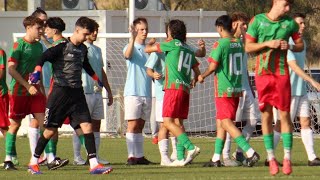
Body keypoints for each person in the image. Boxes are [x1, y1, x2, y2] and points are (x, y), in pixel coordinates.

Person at [27, 16, 112, 175]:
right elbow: (43, 58)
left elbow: (85, 65)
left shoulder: (83, 49)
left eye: (89, 35)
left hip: (77, 93)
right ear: (77, 30)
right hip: (60, 93)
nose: (87, 38)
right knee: (50, 130)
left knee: (87, 126)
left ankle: (94, 164)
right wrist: (37, 72)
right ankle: (33, 162)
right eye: (85, 34)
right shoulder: (61, 46)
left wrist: (97, 80)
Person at [245, 0, 304, 175]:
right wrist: (267, 44)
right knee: (266, 115)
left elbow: (300, 45)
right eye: (285, 4)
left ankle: (287, 158)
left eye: (290, 5)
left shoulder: (290, 23)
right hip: (263, 75)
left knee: (285, 115)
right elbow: (248, 47)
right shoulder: (257, 21)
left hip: (282, 75)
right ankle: (271, 158)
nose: (288, 9)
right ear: (275, 1)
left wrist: (291, 46)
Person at [198, 15, 260, 168]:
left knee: (226, 122)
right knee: (221, 123)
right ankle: (216, 159)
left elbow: (213, 66)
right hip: (236, 89)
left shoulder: (220, 44)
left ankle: (250, 152)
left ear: (220, 28)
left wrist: (202, 75)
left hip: (223, 89)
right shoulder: (238, 43)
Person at [145, 19, 201, 167]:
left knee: (168, 121)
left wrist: (150, 44)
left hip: (172, 88)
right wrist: (195, 78)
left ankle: (190, 147)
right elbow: (197, 69)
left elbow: (147, 50)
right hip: (185, 90)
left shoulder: (171, 44)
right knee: (178, 123)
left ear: (170, 32)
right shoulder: (188, 48)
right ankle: (180, 158)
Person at [272, 13, 320, 166]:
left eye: (304, 23)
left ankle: (312, 157)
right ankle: (270, 157)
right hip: (289, 91)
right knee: (282, 124)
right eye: (300, 23)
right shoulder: (287, 42)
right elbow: (293, 66)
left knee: (306, 122)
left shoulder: (302, 43)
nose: (304, 26)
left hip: (301, 91)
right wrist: (312, 80)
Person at [3, 16, 47, 171]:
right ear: (28, 28)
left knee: (45, 124)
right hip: (19, 91)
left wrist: (41, 89)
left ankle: (45, 158)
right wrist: (27, 86)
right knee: (15, 125)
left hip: (35, 92)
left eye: (42, 28)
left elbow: (37, 69)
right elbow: (11, 69)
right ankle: (8, 159)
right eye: (38, 28)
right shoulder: (18, 45)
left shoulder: (39, 46)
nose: (41, 31)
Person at [221, 12, 261, 167]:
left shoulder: (243, 42)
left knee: (253, 120)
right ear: (234, 24)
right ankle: (225, 155)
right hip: (234, 89)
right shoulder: (230, 42)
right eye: (242, 24)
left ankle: (238, 152)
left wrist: (251, 87)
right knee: (232, 123)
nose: (245, 27)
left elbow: (245, 64)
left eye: (246, 24)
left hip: (247, 88)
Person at [72, 19, 113, 165]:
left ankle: (94, 156)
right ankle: (77, 157)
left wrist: (108, 90)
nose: (95, 33)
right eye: (93, 30)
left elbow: (101, 71)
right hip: (84, 91)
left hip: (97, 92)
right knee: (82, 125)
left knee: (96, 125)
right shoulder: (80, 48)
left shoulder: (98, 49)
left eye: (96, 30)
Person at [123, 17, 153, 165]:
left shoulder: (149, 50)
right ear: (135, 30)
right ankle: (131, 156)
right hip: (133, 92)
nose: (144, 32)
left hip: (146, 92)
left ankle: (139, 156)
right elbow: (127, 55)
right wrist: (131, 39)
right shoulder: (131, 46)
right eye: (141, 29)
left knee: (141, 125)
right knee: (132, 125)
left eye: (146, 29)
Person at [0, 47, 9, 136]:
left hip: (1, 94)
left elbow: (1, 73)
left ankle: (10, 150)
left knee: (3, 126)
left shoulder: (0, 52)